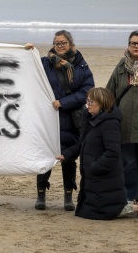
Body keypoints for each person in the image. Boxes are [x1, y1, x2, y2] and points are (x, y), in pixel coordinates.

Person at [31, 30, 94, 211]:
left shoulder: (81, 65)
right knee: (45, 156)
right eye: (57, 43)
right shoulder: (44, 63)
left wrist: (64, 102)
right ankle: (41, 194)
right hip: (48, 117)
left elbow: (87, 90)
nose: (60, 46)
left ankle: (68, 196)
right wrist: (29, 50)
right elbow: (28, 69)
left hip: (73, 118)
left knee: (69, 158)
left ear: (71, 44)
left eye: (63, 43)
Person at [72, 87, 138, 219]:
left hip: (104, 180)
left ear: (102, 103)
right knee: (90, 212)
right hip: (95, 182)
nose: (88, 105)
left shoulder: (110, 124)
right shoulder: (91, 121)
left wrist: (94, 167)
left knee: (111, 210)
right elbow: (83, 144)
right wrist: (66, 154)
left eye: (91, 102)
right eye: (87, 101)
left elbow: (112, 153)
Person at [106, 30, 138, 203]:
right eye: (133, 43)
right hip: (124, 125)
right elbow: (109, 93)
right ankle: (129, 199)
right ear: (128, 45)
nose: (136, 46)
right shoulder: (120, 67)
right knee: (129, 164)